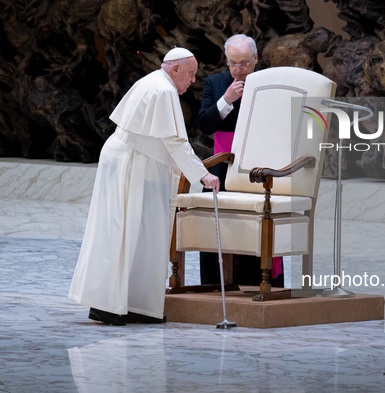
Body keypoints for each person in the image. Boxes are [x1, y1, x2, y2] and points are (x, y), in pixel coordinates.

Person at [68, 48, 219, 326]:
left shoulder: (154, 82)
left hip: (138, 162)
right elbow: (175, 142)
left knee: (143, 235)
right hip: (131, 164)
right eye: (190, 74)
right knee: (123, 231)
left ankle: (137, 304)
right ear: (175, 69)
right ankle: (109, 305)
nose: (193, 80)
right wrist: (203, 175)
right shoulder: (163, 91)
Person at [197, 34, 284, 287]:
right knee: (218, 228)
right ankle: (215, 286)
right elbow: (204, 124)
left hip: (259, 168)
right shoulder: (215, 83)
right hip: (223, 167)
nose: (239, 69)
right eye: (233, 63)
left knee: (256, 225)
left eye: (244, 62)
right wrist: (226, 101)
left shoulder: (271, 82)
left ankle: (259, 283)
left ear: (255, 58)